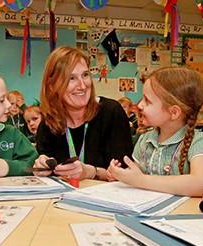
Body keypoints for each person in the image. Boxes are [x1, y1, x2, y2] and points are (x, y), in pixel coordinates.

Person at [103, 67, 203, 196]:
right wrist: (121, 175)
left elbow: (201, 184)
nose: (139, 105)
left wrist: (141, 180)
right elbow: (135, 175)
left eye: (148, 101)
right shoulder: (145, 139)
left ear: (173, 112)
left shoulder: (200, 142)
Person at [31, 47, 133, 181]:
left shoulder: (111, 112)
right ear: (52, 86)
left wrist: (91, 172)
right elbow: (51, 174)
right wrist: (42, 167)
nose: (83, 85)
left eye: (85, 75)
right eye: (71, 78)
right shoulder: (48, 125)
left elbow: (125, 174)